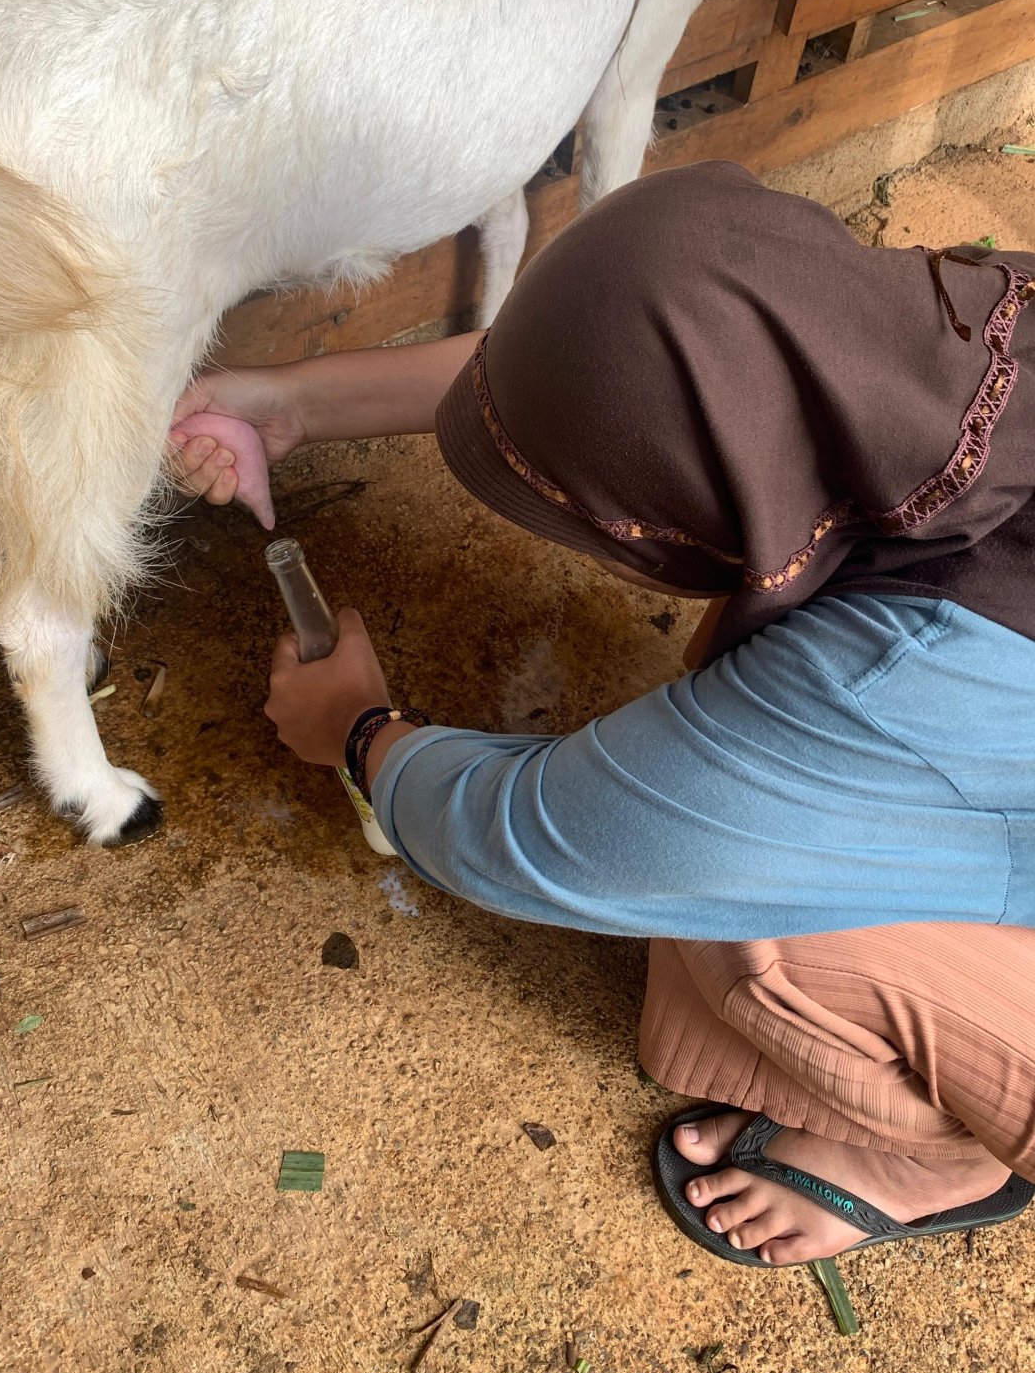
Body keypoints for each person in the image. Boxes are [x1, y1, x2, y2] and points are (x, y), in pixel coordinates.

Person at [170, 162, 1035, 1270]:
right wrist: (291, 400)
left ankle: (942, 1158)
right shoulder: (956, 348)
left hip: (948, 724)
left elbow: (542, 832)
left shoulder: (874, 695)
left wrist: (358, 734)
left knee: (751, 931)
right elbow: (642, 345)